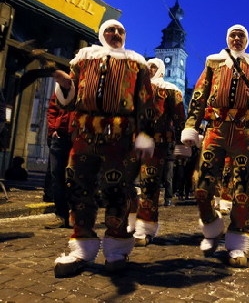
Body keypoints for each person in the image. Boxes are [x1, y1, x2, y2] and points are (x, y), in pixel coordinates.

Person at [51, 19, 155, 277]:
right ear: (101, 34)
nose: (116, 34)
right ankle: (82, 247)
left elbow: (145, 103)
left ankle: (116, 248)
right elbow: (68, 101)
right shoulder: (84, 59)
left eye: (121, 31)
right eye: (111, 30)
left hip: (120, 137)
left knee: (116, 189)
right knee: (77, 187)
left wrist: (144, 136)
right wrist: (65, 87)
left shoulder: (136, 63)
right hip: (85, 133)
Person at [181, 24, 249, 267]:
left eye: (241, 35)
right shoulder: (213, 63)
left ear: (247, 40)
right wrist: (191, 125)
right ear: (227, 38)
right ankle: (211, 224)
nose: (237, 38)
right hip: (215, 129)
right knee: (202, 185)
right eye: (233, 34)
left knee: (243, 187)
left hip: (244, 132)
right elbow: (199, 95)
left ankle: (238, 242)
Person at [128, 58, 189, 247]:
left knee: (149, 184)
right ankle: (128, 222)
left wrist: (181, 141)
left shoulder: (170, 90)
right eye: (149, 67)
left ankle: (145, 228)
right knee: (127, 183)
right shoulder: (135, 88)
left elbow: (180, 117)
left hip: (157, 142)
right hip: (132, 140)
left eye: (154, 67)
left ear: (161, 70)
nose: (151, 69)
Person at [44, 94, 72, 229]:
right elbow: (52, 109)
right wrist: (53, 130)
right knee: (57, 176)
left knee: (79, 177)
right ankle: (61, 215)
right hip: (60, 136)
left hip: (79, 137)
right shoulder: (61, 89)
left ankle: (77, 216)